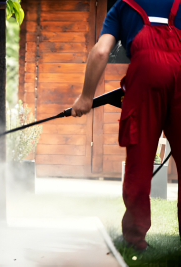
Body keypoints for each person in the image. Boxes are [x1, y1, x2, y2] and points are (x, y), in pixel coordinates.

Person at [71, 0, 181, 251]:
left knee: (139, 163)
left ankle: (135, 239)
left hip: (144, 78)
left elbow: (101, 52)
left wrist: (86, 97)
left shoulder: (123, 7)